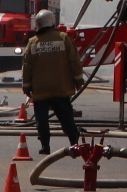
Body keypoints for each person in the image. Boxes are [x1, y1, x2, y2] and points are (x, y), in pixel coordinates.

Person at [20, 10, 85, 155]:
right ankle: (74, 143)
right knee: (66, 117)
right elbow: (74, 61)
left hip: (40, 90)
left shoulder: (33, 42)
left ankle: (45, 146)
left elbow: (27, 67)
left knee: (42, 121)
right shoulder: (63, 38)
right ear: (52, 21)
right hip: (61, 88)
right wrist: (78, 80)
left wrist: (27, 87)